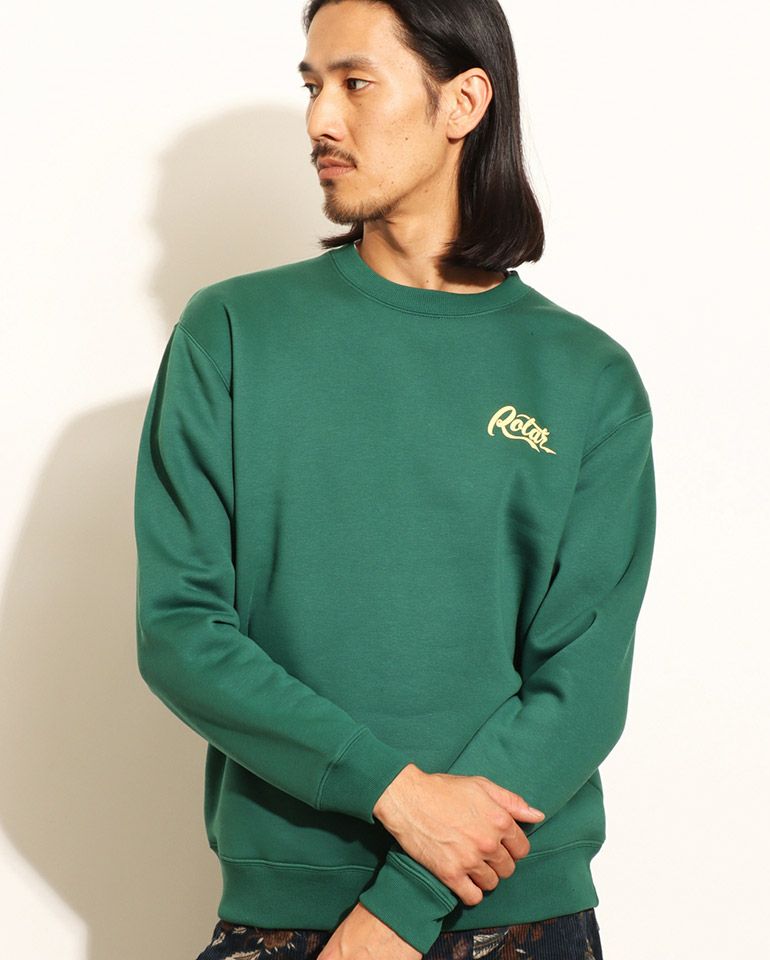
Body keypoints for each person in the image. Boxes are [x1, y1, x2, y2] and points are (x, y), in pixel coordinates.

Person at [133, 1, 657, 958]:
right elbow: (181, 631)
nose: (319, 119)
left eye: (355, 83)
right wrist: (396, 794)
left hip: (514, 911)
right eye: (311, 86)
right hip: (287, 912)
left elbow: (581, 683)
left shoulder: (586, 378)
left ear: (463, 103)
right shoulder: (233, 335)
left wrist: (402, 907)